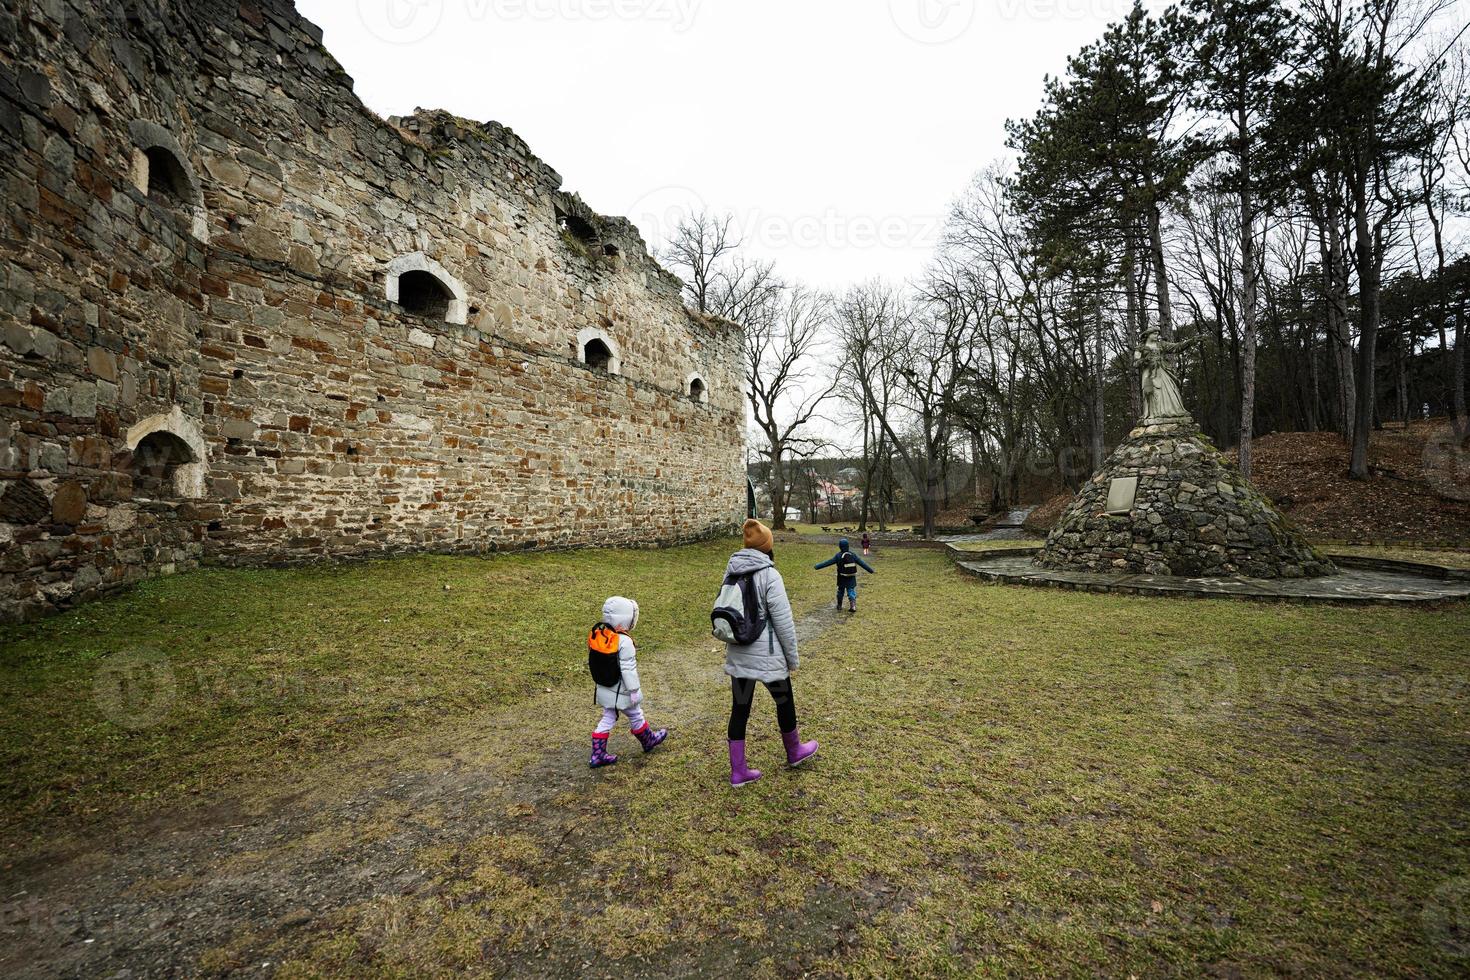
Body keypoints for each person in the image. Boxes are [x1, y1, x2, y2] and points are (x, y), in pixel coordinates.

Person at [721, 519, 818, 787]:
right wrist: (792, 659)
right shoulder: (770, 575)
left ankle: (738, 771)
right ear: (768, 548)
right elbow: (784, 623)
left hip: (739, 655)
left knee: (740, 708)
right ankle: (794, 750)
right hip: (769, 657)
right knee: (784, 701)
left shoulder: (730, 572)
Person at [587, 595, 668, 768]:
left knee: (608, 716)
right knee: (635, 713)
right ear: (627, 619)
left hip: (605, 686)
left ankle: (598, 753)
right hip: (622, 690)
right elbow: (628, 670)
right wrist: (634, 691)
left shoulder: (600, 634)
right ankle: (648, 740)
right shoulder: (624, 641)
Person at [814, 538, 875, 613]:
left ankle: (839, 605)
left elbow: (828, 562)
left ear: (840, 546)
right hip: (851, 577)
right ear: (848, 546)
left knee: (840, 591)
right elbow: (862, 563)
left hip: (841, 577)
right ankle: (853, 605)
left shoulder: (838, 556)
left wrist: (817, 566)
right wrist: (871, 570)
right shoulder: (852, 555)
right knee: (851, 590)